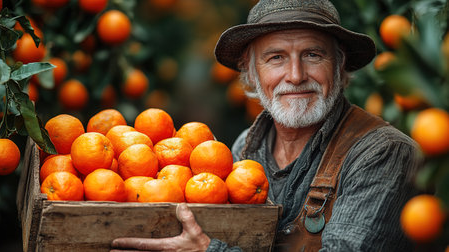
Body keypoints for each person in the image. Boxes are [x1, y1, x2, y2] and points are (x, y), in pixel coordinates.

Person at [111, 0, 423, 251]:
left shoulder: (383, 154)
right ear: (250, 71)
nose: (296, 75)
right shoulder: (244, 149)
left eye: (313, 55)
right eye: (276, 58)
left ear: (339, 65)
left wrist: (209, 250)